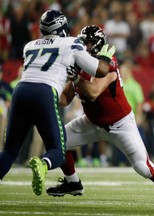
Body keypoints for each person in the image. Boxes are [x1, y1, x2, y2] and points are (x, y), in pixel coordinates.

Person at [46, 25, 154, 210]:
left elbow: (93, 92)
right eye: (82, 43)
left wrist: (75, 79)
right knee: (58, 141)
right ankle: (73, 182)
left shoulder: (108, 64)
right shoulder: (78, 65)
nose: (83, 47)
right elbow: (65, 99)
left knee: (143, 167)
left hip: (120, 124)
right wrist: (47, 94)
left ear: (97, 45)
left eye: (88, 43)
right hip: (92, 122)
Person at [0, 10, 116, 196]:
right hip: (44, 93)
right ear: (63, 27)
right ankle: (43, 164)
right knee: (57, 151)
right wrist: (104, 57)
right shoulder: (72, 43)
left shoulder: (29, 46)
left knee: (9, 151)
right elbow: (100, 71)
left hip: (20, 91)